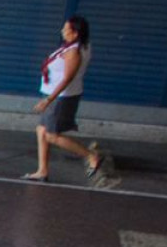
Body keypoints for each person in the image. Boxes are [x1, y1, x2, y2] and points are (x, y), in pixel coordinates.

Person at [23, 15, 108, 185]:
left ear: (75, 33)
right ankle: (42, 171)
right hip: (56, 96)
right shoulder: (76, 46)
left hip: (61, 98)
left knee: (51, 136)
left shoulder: (73, 52)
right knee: (42, 130)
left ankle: (91, 156)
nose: (62, 31)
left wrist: (48, 100)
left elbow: (67, 78)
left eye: (66, 29)